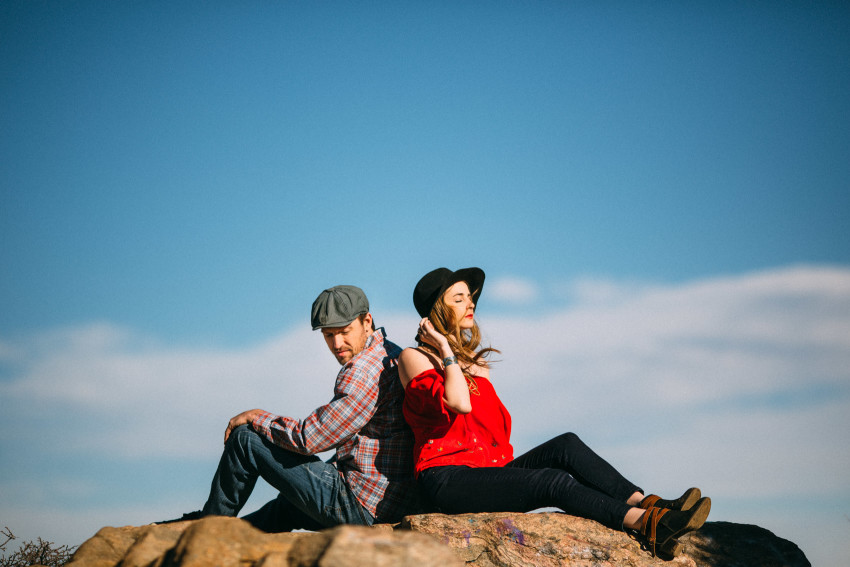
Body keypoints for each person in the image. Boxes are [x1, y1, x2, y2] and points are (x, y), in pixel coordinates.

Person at [398, 267, 711, 557]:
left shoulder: (477, 366)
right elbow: (460, 403)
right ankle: (648, 525)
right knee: (553, 481)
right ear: (439, 309)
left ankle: (650, 504)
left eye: (470, 297)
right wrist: (444, 346)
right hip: (448, 478)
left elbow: (492, 430)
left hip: (491, 470)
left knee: (566, 444)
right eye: (459, 298)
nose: (471, 304)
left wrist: (459, 357)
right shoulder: (414, 358)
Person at [162, 285, 420, 531]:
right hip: (390, 499)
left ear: (367, 322)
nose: (337, 343)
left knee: (246, 440)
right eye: (329, 335)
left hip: (363, 506)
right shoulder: (391, 352)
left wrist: (257, 417)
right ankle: (233, 532)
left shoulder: (363, 370)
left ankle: (208, 527)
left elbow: (310, 438)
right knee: (285, 507)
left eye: (344, 331)